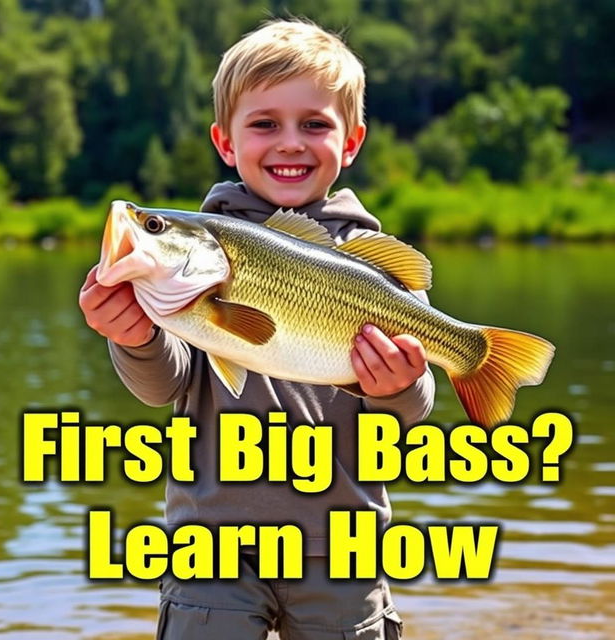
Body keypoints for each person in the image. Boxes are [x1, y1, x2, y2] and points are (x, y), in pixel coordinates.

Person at [79, 19, 434, 640]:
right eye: (264, 124)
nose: (290, 143)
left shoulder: (378, 261)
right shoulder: (193, 262)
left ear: (351, 142)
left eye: (315, 124)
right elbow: (167, 385)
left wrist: (396, 386)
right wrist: (134, 336)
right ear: (225, 140)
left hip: (346, 546)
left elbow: (409, 412)